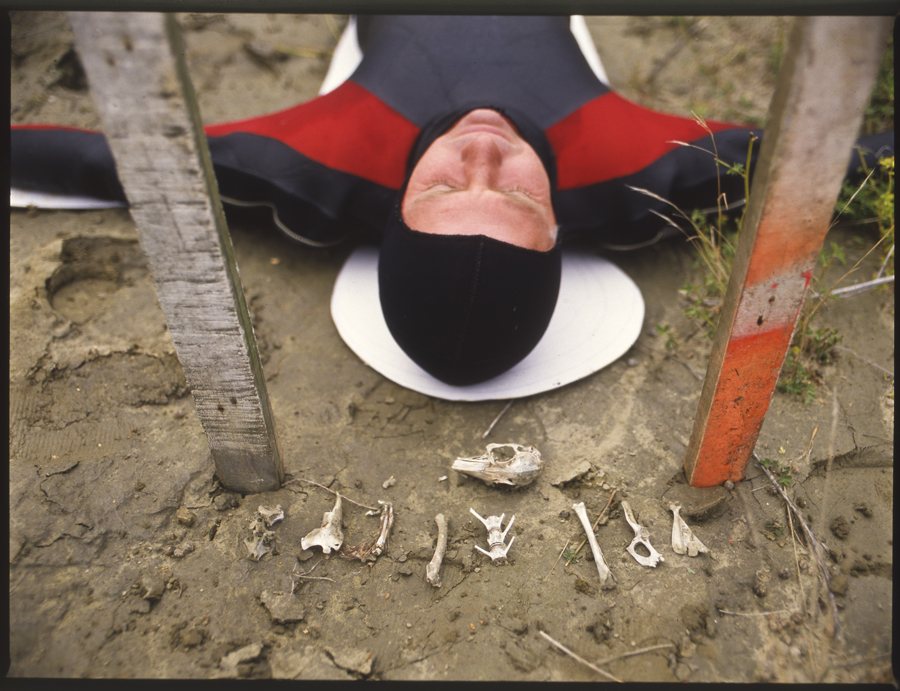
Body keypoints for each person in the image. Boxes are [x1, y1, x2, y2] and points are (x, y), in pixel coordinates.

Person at [11, 15, 893, 391]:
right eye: (512, 193)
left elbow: (112, 161)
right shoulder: (637, 170)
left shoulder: (317, 162)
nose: (482, 152)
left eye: (441, 187)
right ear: (559, 230)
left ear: (392, 204)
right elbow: (844, 159)